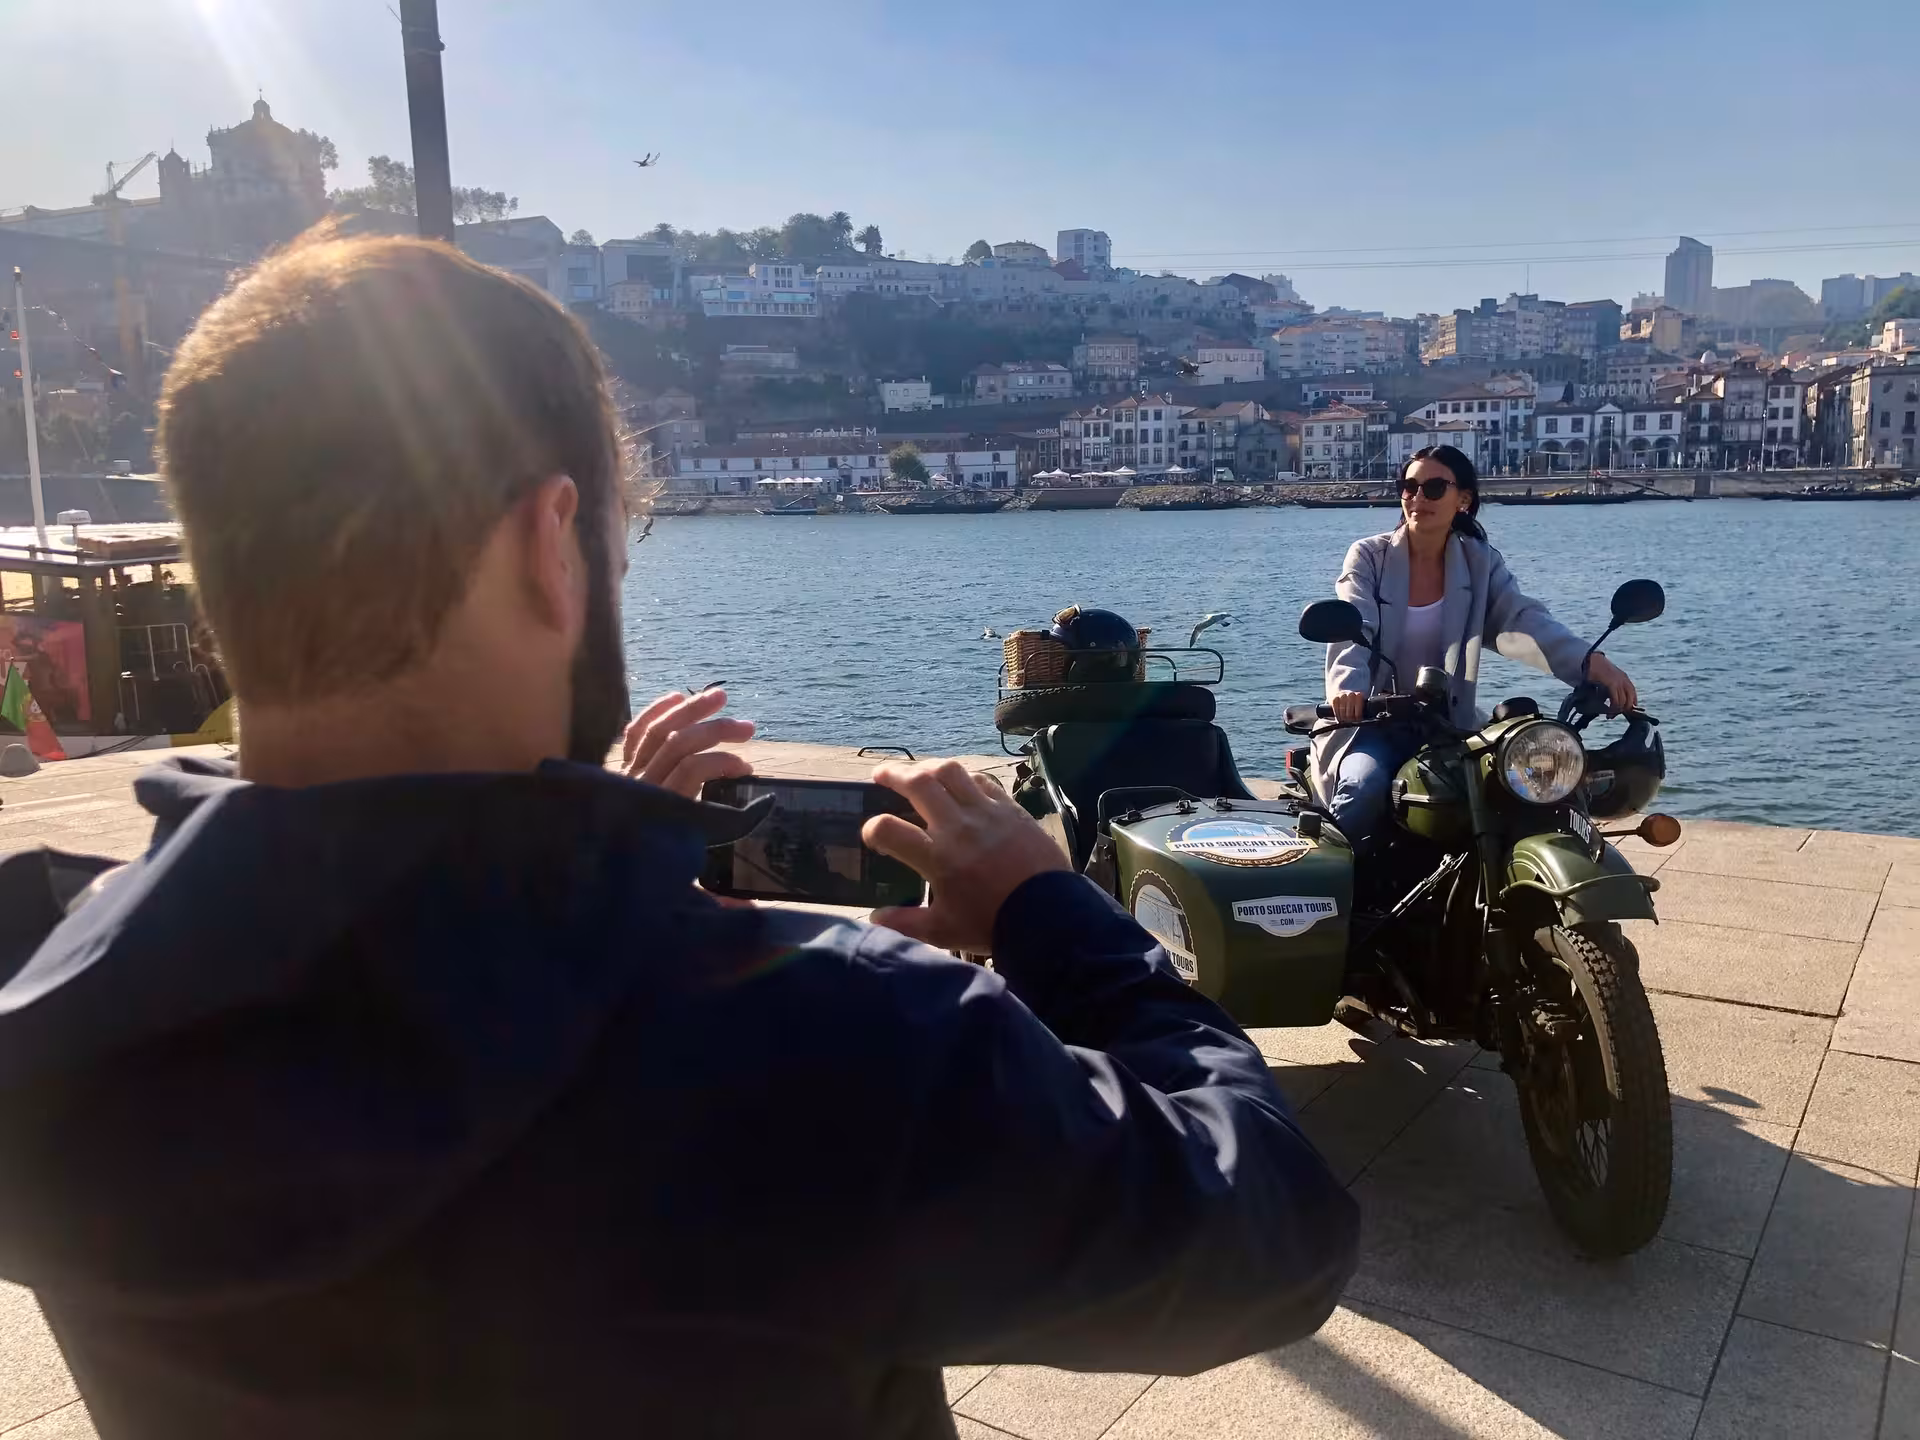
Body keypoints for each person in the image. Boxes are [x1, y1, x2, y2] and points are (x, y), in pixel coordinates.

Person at [0, 229, 1358, 1440]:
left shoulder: (57, 993)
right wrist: (1052, 917)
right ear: (552, 542)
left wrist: (605, 843)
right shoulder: (854, 1046)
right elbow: (1272, 1230)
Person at [1313, 445, 1637, 846]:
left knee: (1519, 789)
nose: (1417, 498)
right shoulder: (1370, 556)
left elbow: (1523, 621)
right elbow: (1352, 626)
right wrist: (1349, 687)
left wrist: (1591, 663)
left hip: (1449, 722)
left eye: (1433, 487)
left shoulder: (1479, 562)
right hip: (1373, 722)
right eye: (1409, 486)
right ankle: (1333, 899)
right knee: (1362, 787)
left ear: (1463, 499)